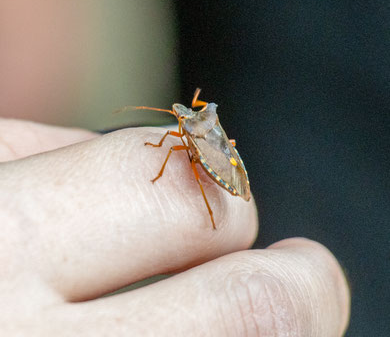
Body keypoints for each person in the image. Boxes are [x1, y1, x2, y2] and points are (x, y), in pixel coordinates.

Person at [0, 119, 349, 335]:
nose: (179, 124)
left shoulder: (187, 135)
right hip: (233, 168)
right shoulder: (186, 133)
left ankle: (214, 211)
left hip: (224, 167)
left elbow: (182, 150)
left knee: (189, 166)